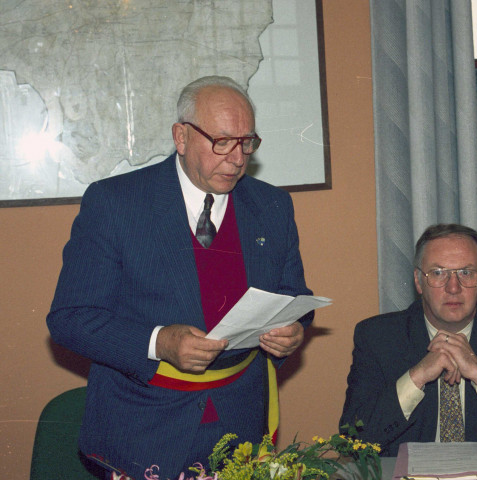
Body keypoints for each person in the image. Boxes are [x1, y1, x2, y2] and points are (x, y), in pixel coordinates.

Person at [47, 76, 314, 479]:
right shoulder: (115, 203)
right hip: (142, 427)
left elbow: (294, 296)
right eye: (222, 141)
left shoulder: (272, 206)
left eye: (247, 142)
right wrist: (159, 342)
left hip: (240, 425)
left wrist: (293, 330)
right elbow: (70, 318)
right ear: (181, 136)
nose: (237, 158)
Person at [340, 224, 477, 458]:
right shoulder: (378, 338)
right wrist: (417, 376)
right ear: (418, 281)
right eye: (438, 273)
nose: (453, 287)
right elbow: (352, 442)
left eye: (466, 272)